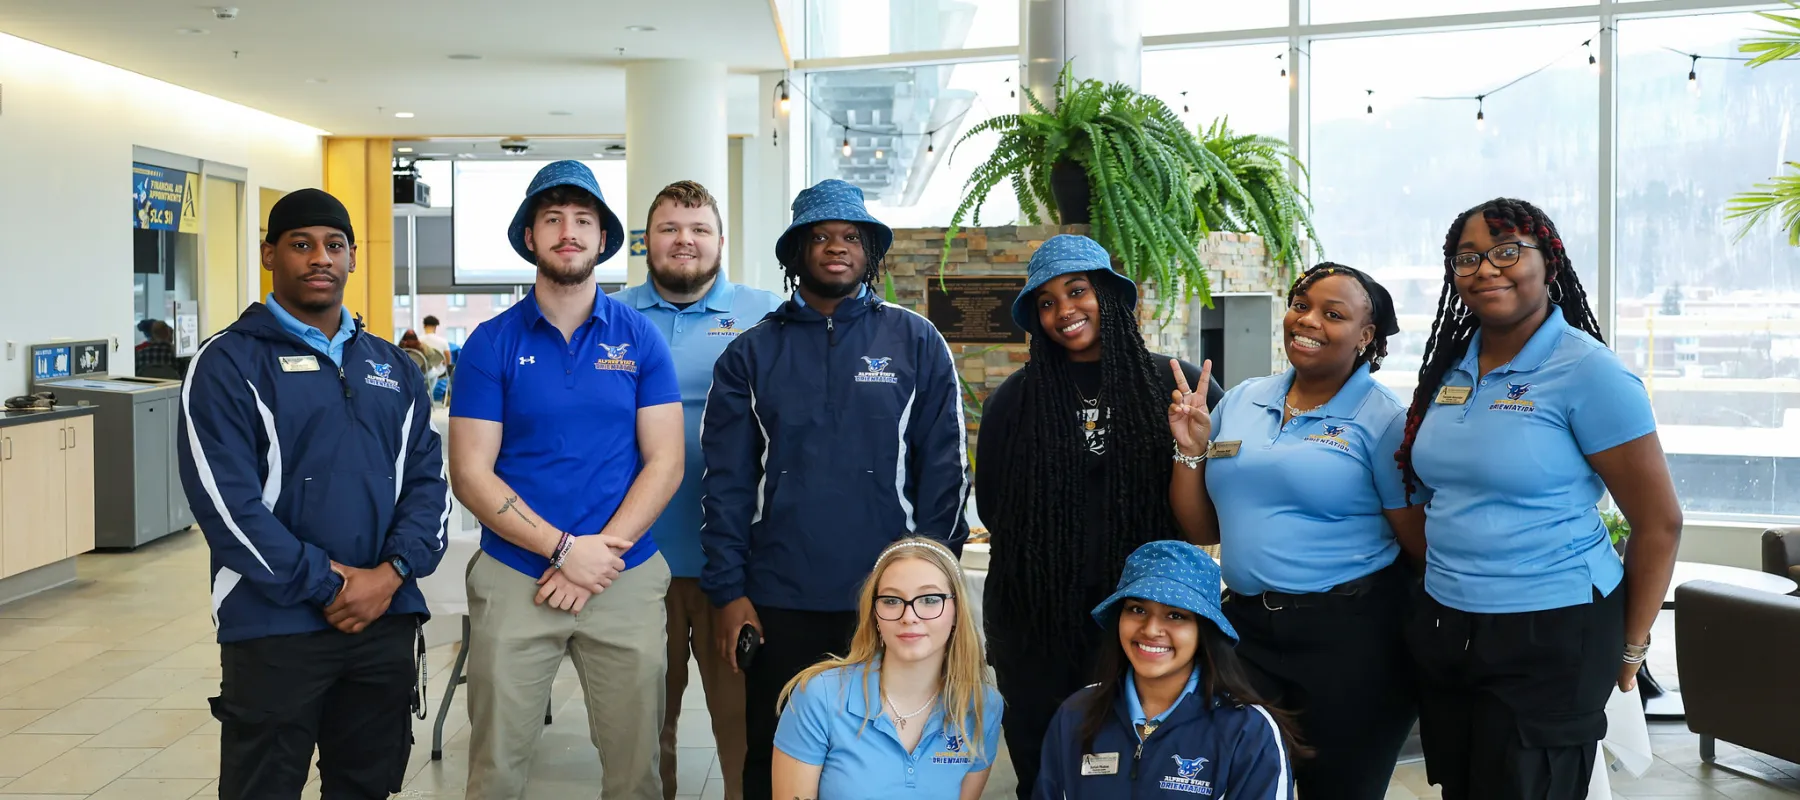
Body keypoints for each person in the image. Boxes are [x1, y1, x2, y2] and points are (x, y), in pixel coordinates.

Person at [1394, 198, 1682, 799]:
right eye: (1467, 257)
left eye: (1506, 251)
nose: (1486, 269)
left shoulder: (1589, 372)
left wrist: (1631, 646)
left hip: (1553, 629)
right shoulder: (1451, 368)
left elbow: (1659, 523)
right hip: (1451, 622)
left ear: (1547, 263)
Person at [701, 179, 971, 800]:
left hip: (891, 599)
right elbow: (726, 486)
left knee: (890, 754)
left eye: (851, 236)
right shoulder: (749, 354)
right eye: (819, 236)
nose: (836, 247)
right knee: (778, 758)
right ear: (795, 253)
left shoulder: (916, 342)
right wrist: (728, 591)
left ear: (870, 252)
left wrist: (932, 588)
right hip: (779, 596)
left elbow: (946, 472)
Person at [177, 188, 450, 800]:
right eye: (301, 244)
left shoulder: (393, 366)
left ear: (352, 257)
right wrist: (331, 584)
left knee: (368, 783)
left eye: (333, 245)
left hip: (383, 620)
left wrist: (393, 572)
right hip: (273, 623)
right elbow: (226, 507)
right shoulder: (227, 363)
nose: (319, 258)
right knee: (264, 786)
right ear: (271, 255)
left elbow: (428, 483)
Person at [448, 160, 684, 800]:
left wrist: (596, 556)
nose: (568, 232)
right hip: (517, 572)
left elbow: (666, 460)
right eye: (552, 219)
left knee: (637, 773)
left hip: (623, 576)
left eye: (583, 220)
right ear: (530, 236)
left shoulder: (640, 340)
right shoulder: (490, 343)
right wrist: (561, 549)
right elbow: (469, 472)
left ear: (603, 239)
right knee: (495, 769)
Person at [974, 233, 1222, 798]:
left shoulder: (1173, 386)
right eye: (1047, 302)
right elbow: (996, 512)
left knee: (1143, 774)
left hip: (1141, 624)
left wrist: (1193, 444)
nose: (1065, 311)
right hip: (1036, 628)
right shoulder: (1012, 402)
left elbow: (1207, 519)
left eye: (1077, 290)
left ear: (1107, 294)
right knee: (1045, 775)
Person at [1165, 262, 1421, 800]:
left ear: (1366, 336)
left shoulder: (1382, 419)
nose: (1308, 321)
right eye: (1301, 305)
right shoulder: (1241, 400)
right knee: (1235, 783)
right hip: (1247, 634)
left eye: (1333, 314)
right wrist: (1189, 452)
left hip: (1350, 639)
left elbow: (1415, 540)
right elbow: (1203, 527)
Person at [612, 180, 783, 800]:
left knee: (744, 732)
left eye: (698, 229)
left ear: (719, 240)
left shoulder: (766, 313)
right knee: (642, 733)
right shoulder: (613, 316)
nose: (684, 241)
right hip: (633, 559)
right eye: (669, 229)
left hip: (734, 566)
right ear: (646, 240)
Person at [1035, 541, 1300, 800]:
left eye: (1175, 615)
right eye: (1137, 609)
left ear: (1204, 630)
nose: (1150, 630)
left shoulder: (1248, 731)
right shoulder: (1076, 713)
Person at [772, 538, 1003, 800]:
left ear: (957, 612)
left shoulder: (984, 706)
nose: (909, 616)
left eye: (929, 599)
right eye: (892, 600)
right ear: (875, 615)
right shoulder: (816, 696)